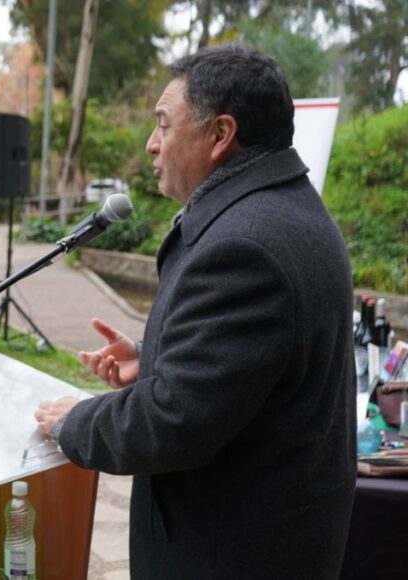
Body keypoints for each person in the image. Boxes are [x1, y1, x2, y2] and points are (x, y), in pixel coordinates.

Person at [33, 44, 355, 579]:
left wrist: (74, 421)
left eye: (163, 124)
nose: (150, 144)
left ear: (220, 134)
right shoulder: (286, 209)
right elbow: (257, 369)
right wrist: (155, 357)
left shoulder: (246, 247)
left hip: (231, 553)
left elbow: (173, 423)